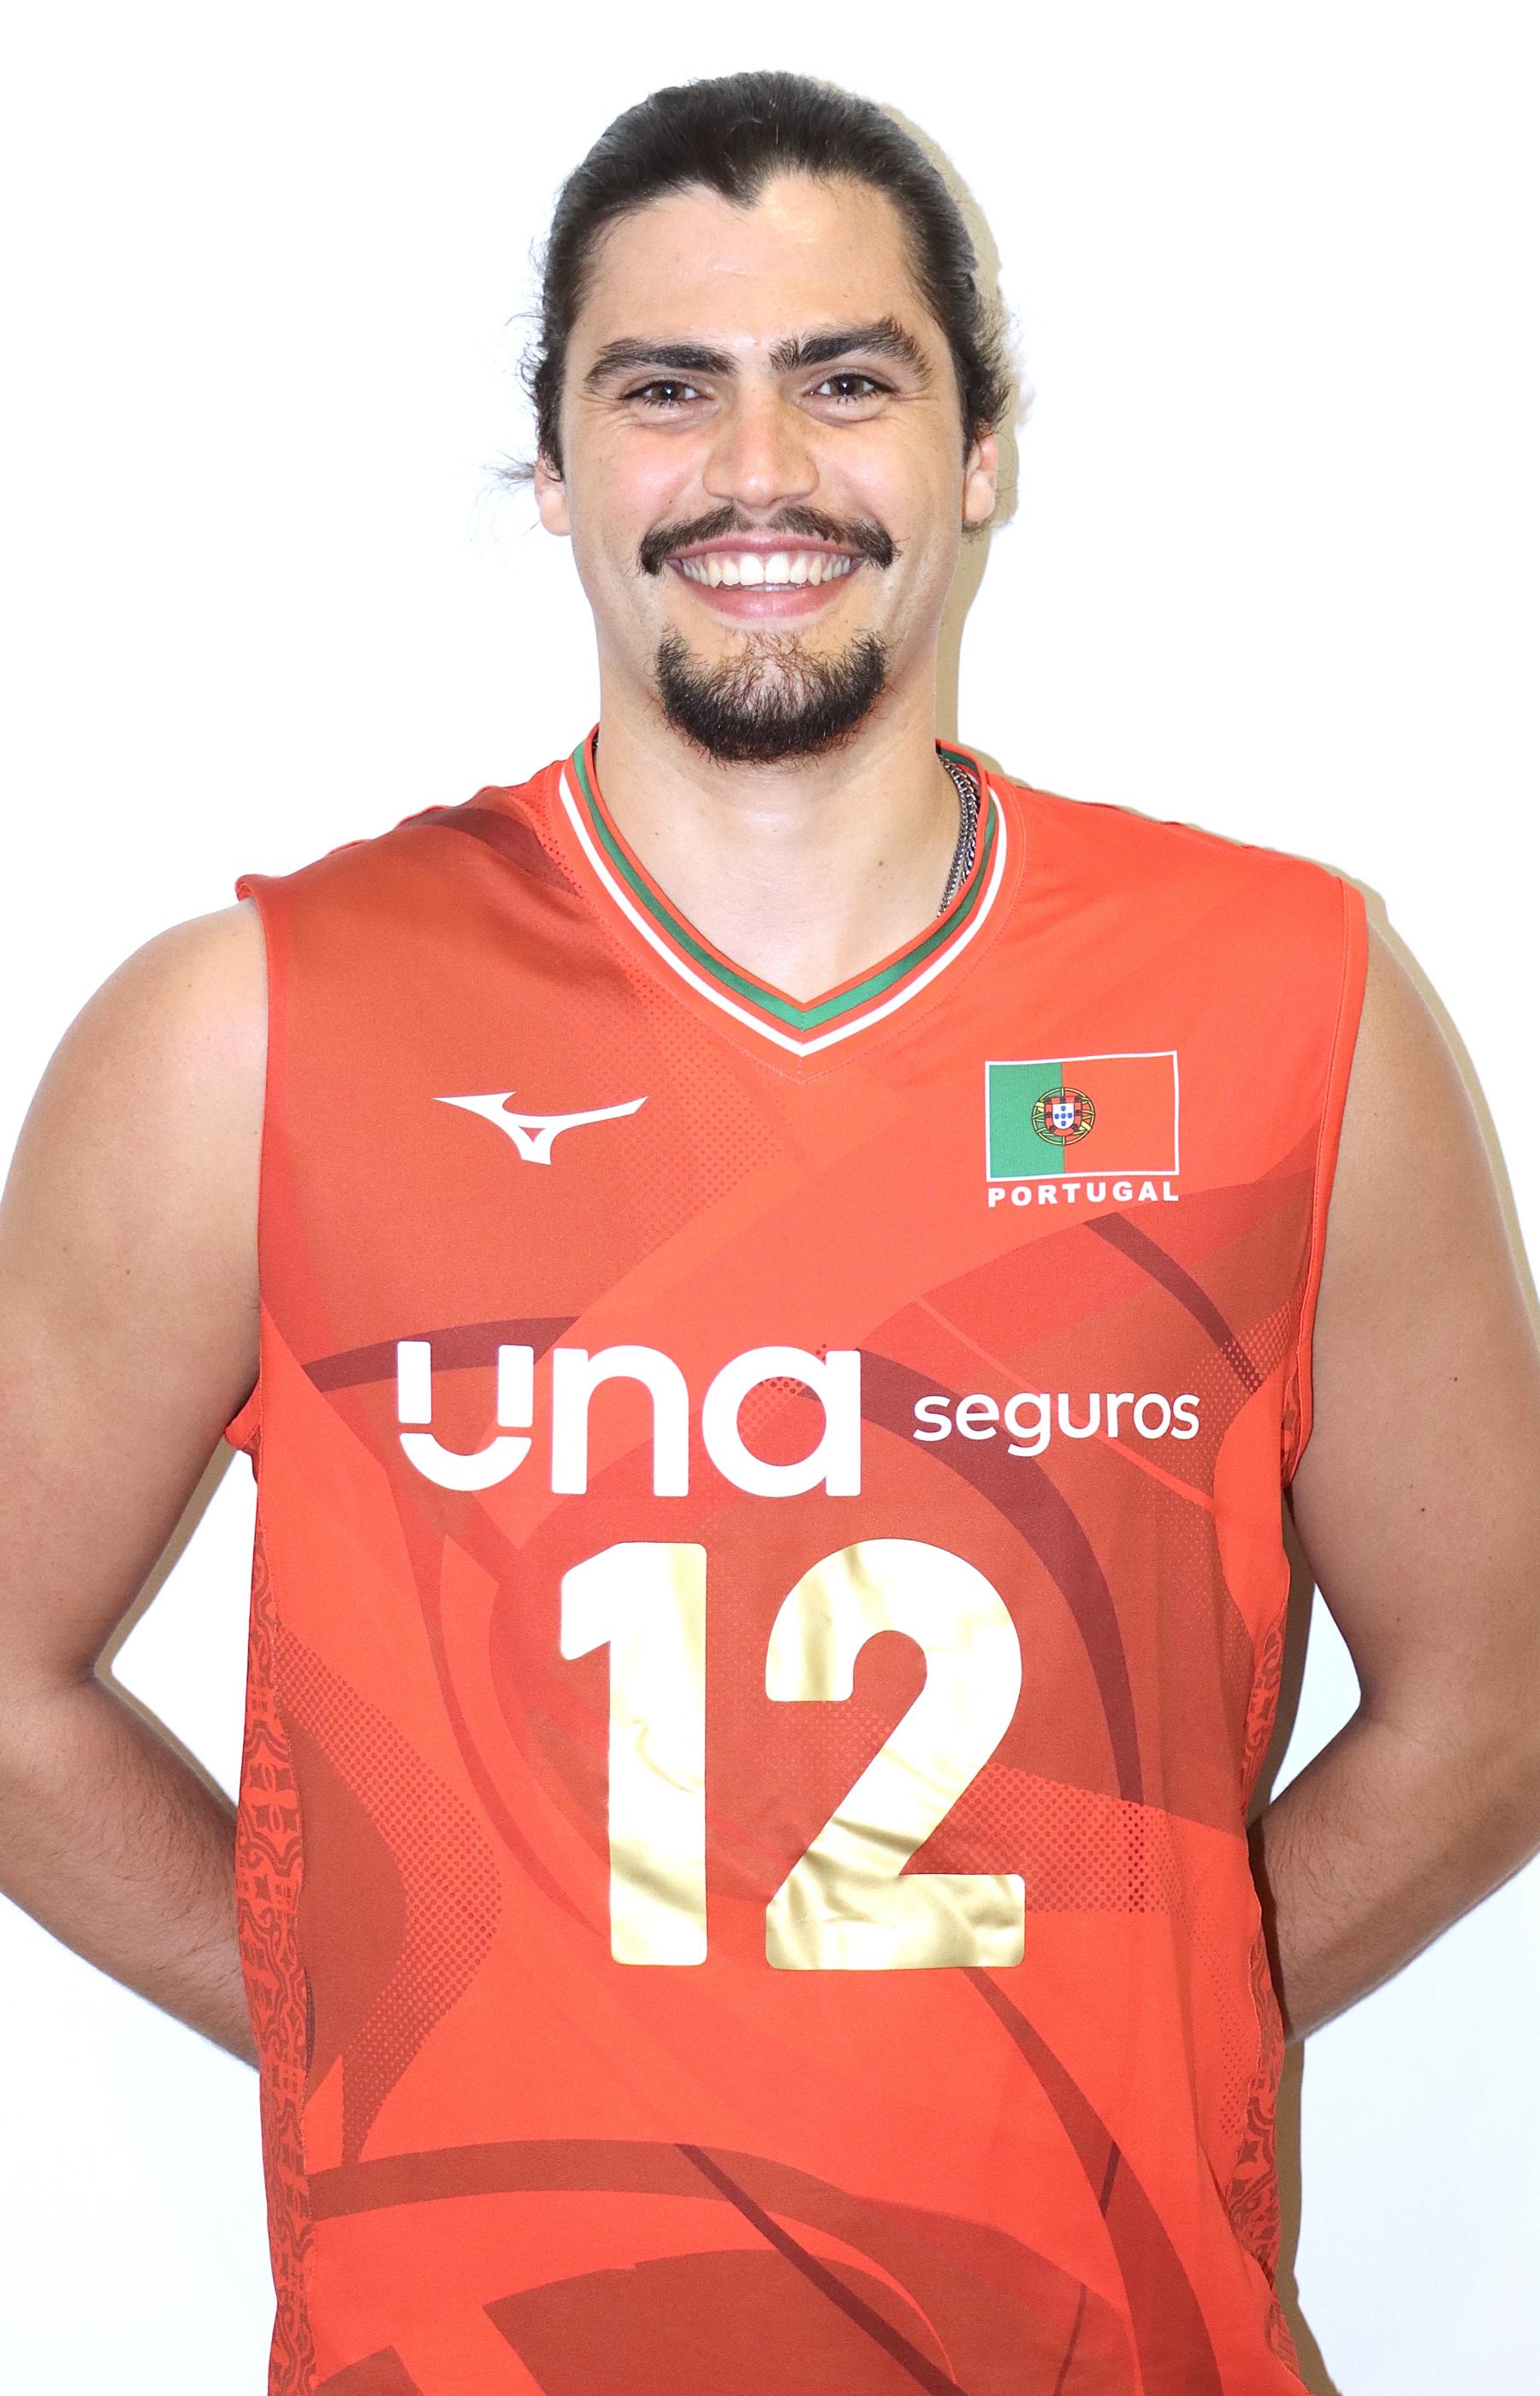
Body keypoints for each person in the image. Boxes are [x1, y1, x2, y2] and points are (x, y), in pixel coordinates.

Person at [2, 63, 1538, 2396]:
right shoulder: (254, 1028)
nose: (757, 469)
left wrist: (1146, 2037)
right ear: (554, 467)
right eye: (663, 390)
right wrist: (363, 2029)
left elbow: (1494, 1708)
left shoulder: (1293, 999)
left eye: (846, 381)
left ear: (978, 452)